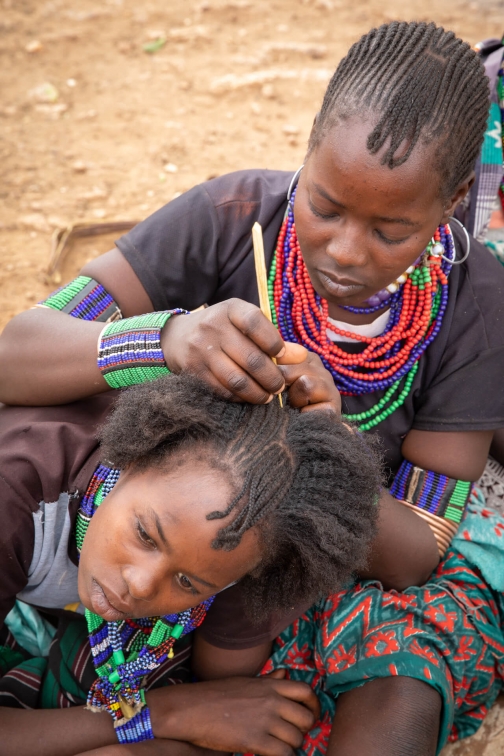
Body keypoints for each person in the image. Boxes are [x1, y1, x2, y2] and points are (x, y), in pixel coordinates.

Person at [1, 18, 504, 756]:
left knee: (398, 669)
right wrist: (164, 338)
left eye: (390, 230)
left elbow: (415, 552)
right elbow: (17, 355)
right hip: (158, 534)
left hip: (275, 561)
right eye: (325, 206)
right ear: (305, 150)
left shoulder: (476, 304)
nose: (343, 249)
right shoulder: (231, 218)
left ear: (454, 198)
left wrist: (327, 455)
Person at [0, 371, 381, 756]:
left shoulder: (244, 549)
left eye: (187, 582)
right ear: (131, 460)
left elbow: (226, 699)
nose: (141, 584)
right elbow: (202, 709)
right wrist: (163, 715)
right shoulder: (13, 495)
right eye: (145, 535)